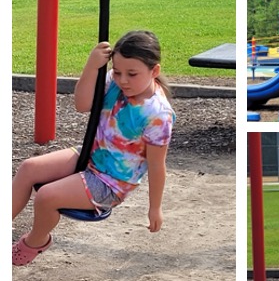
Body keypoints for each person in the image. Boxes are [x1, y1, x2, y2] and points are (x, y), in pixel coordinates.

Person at [12, 31, 175, 266]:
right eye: (117, 72)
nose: (123, 80)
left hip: (111, 182)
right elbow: (82, 104)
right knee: (29, 168)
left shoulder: (157, 114)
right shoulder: (114, 82)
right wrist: (92, 66)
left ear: (155, 71)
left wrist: (155, 208)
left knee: (46, 197)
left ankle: (35, 241)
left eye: (132, 74)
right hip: (91, 154)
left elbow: (157, 166)